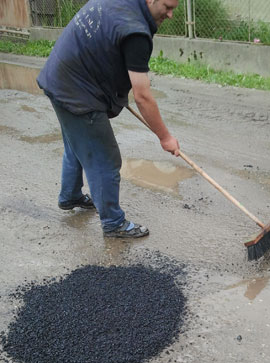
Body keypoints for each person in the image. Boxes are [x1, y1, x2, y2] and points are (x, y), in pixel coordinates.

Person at [37, 0, 180, 238]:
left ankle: (70, 196)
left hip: (59, 76)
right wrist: (165, 137)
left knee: (78, 144)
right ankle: (113, 223)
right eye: (167, 6)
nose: (171, 14)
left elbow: (106, 45)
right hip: (77, 91)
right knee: (105, 158)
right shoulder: (135, 32)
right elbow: (143, 96)